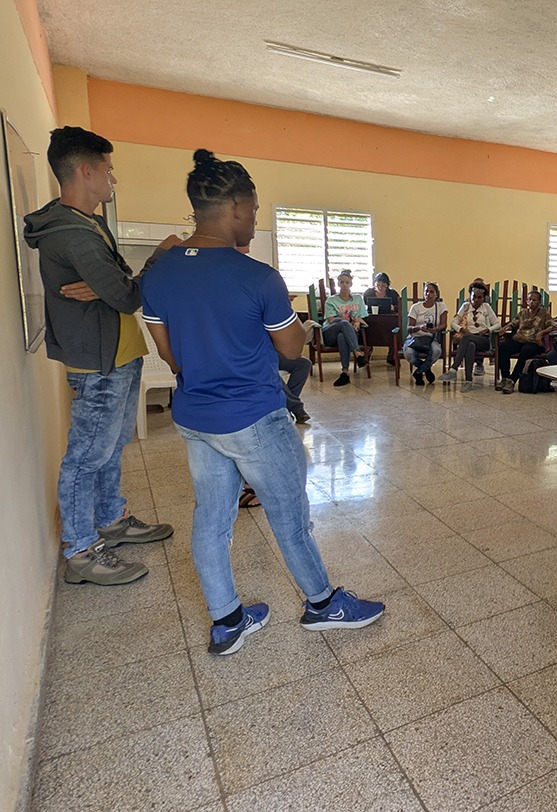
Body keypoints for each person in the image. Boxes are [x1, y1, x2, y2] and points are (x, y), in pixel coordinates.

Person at [140, 149, 384, 655]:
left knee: (212, 517)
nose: (254, 218)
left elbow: (170, 355)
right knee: (290, 515)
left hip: (195, 416)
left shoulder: (159, 273)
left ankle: (227, 621)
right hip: (254, 416)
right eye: (253, 209)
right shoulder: (257, 277)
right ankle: (322, 605)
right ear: (233, 208)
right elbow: (292, 349)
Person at [23, 126, 174, 586]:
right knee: (86, 456)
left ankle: (111, 518)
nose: (113, 179)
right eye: (108, 170)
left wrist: (112, 286)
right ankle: (81, 551)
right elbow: (128, 295)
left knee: (110, 449)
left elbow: (117, 284)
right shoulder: (75, 236)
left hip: (119, 354)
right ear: (85, 171)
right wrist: (158, 258)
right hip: (99, 365)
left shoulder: (88, 221)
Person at [442, 283, 499, 391]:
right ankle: (468, 380)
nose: (476, 300)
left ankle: (454, 369)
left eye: (479, 297)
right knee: (470, 345)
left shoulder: (486, 307)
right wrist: (462, 330)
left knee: (467, 338)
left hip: (483, 340)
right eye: (474, 297)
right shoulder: (465, 306)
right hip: (468, 339)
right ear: (470, 296)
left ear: (484, 298)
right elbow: (453, 323)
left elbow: (497, 324)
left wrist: (488, 329)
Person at [496, 290, 555, 394]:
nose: (531, 302)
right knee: (503, 348)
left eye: (534, 300)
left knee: (525, 351)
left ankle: (512, 380)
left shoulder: (544, 313)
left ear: (539, 302)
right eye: (529, 300)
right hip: (520, 339)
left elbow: (552, 326)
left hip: (534, 342)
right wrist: (506, 328)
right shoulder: (522, 313)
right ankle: (505, 377)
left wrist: (541, 333)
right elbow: (513, 323)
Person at [322, 271, 367, 387]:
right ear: (338, 284)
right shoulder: (331, 300)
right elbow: (331, 320)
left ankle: (345, 373)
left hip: (349, 333)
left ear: (351, 284)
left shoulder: (358, 299)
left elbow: (362, 318)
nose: (344, 285)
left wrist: (356, 321)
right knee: (343, 324)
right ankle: (358, 353)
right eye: (342, 282)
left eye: (347, 282)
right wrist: (347, 320)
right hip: (330, 331)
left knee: (342, 336)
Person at [404, 282, 448, 384]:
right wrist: (419, 327)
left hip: (431, 338)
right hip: (414, 338)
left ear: (436, 294)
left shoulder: (441, 306)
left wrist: (436, 329)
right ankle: (426, 369)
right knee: (409, 354)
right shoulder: (415, 307)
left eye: (432, 292)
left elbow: (444, 324)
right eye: (426, 291)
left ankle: (418, 372)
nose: (428, 294)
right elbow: (409, 328)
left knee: (436, 351)